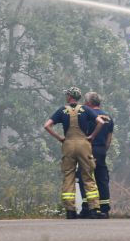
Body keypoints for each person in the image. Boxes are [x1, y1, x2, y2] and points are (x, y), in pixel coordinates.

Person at [44, 86, 104, 218]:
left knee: (69, 176)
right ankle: (94, 209)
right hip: (84, 144)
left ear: (69, 97)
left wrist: (59, 137)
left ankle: (70, 211)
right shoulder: (85, 109)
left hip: (68, 145)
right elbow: (100, 122)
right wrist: (92, 136)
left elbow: (46, 125)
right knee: (88, 176)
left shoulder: (62, 110)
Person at [79, 91, 113, 218]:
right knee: (102, 179)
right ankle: (104, 209)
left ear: (88, 103)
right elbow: (109, 138)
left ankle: (87, 208)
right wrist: (104, 150)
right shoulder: (108, 117)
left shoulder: (87, 116)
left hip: (88, 150)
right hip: (101, 151)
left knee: (85, 178)